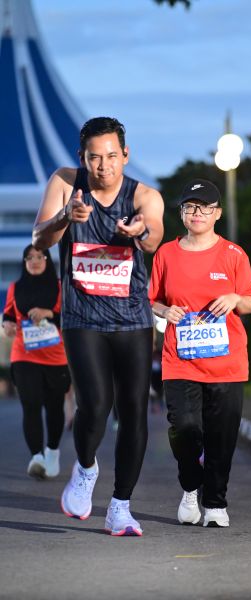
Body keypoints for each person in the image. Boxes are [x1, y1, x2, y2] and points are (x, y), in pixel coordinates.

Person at [32, 116, 164, 536]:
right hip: (82, 315)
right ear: (82, 157)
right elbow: (39, 240)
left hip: (132, 318)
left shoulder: (144, 196)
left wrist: (140, 231)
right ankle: (86, 468)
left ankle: (120, 506)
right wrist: (65, 217)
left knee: (134, 411)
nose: (103, 165)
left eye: (111, 156)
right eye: (94, 157)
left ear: (125, 154)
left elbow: (154, 238)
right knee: (94, 405)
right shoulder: (65, 182)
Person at [149, 178, 251, 528]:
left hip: (227, 363)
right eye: (190, 207)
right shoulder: (166, 254)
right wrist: (165, 311)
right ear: (181, 212)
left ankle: (215, 504)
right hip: (180, 360)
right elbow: (151, 299)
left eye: (205, 208)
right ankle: (190, 486)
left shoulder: (234, 254)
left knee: (221, 437)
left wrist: (235, 299)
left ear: (218, 213)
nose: (197, 213)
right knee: (184, 427)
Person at [2, 245, 71, 479]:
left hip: (55, 357)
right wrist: (7, 324)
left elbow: (71, 316)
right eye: (29, 257)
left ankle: (52, 452)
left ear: (47, 260)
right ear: (24, 262)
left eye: (39, 256)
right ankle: (37, 457)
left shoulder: (60, 287)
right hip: (24, 354)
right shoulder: (15, 287)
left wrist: (49, 313)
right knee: (30, 405)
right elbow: (9, 314)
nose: (34, 261)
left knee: (54, 408)